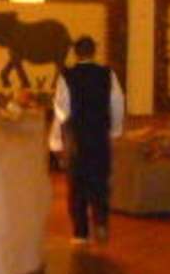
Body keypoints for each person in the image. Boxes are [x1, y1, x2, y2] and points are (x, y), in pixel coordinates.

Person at [53, 36, 125, 244]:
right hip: (100, 135)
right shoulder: (107, 74)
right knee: (100, 182)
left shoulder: (67, 76)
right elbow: (117, 103)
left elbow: (61, 109)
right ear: (94, 52)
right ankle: (100, 223)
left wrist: (58, 138)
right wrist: (114, 129)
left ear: (76, 53)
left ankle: (80, 232)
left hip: (76, 137)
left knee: (77, 185)